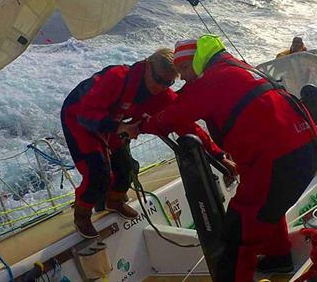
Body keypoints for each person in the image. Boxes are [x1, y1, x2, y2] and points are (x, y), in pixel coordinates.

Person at [142, 35, 317, 281]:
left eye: (184, 68)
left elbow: (176, 114)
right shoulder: (236, 67)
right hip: (306, 149)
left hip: (279, 160)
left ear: (197, 61)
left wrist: (141, 126)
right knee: (266, 206)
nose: (182, 76)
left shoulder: (211, 80)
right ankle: (278, 258)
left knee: (239, 229)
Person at [60, 48, 231, 239]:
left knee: (127, 168)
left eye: (167, 83)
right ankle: (82, 215)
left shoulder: (162, 95)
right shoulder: (116, 77)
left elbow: (186, 124)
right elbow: (86, 113)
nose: (160, 86)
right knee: (98, 173)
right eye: (158, 79)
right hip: (79, 118)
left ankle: (113, 201)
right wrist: (119, 128)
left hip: (114, 122)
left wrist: (218, 155)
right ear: (147, 64)